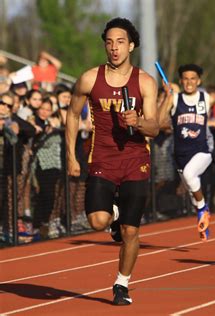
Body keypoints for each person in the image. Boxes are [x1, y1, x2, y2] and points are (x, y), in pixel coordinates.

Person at [65, 17, 160, 306]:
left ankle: (122, 284)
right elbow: (71, 114)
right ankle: (113, 217)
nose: (114, 48)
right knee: (97, 221)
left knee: (132, 231)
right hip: (102, 158)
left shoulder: (144, 81)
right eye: (109, 42)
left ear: (131, 45)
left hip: (135, 160)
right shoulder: (89, 78)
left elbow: (155, 128)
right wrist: (71, 155)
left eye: (120, 42)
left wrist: (140, 122)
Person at [157, 64, 215, 241]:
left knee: (190, 176)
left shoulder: (206, 97)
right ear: (181, 81)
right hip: (180, 154)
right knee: (191, 191)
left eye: (193, 78)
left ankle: (204, 209)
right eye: (186, 79)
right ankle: (202, 215)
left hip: (203, 150)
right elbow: (157, 121)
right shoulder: (175, 99)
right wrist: (167, 96)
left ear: (199, 81)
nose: (189, 82)